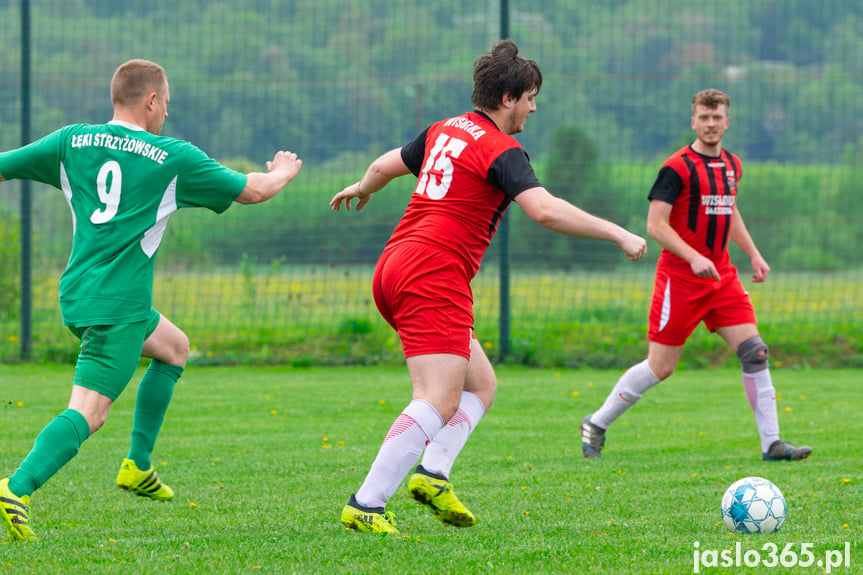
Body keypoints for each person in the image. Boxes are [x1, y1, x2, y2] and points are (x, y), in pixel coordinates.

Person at [330, 39, 647, 535]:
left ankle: (432, 475)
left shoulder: (443, 129)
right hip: (433, 273)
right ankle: (365, 505)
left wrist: (361, 189)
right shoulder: (502, 148)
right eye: (530, 98)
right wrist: (618, 232)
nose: (534, 108)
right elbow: (544, 210)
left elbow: (382, 166)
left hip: (394, 264)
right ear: (507, 99)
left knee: (481, 385)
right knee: (437, 398)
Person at [0, 59, 302, 542]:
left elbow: (1, 167)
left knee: (174, 347)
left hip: (83, 294)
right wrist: (284, 171)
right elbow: (252, 191)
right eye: (167, 105)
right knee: (90, 412)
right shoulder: (172, 156)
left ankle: (137, 467)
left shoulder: (70, 141)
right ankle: (16, 486)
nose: (166, 114)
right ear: (152, 101)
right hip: (116, 308)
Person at [580, 89, 812, 463]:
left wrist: (753, 254)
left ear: (726, 121)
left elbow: (729, 212)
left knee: (755, 352)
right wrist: (691, 256)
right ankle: (597, 422)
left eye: (716, 117)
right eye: (703, 117)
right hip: (681, 280)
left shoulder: (733, 165)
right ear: (693, 121)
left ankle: (772, 443)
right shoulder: (677, 167)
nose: (710, 124)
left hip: (722, 278)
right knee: (661, 367)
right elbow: (655, 225)